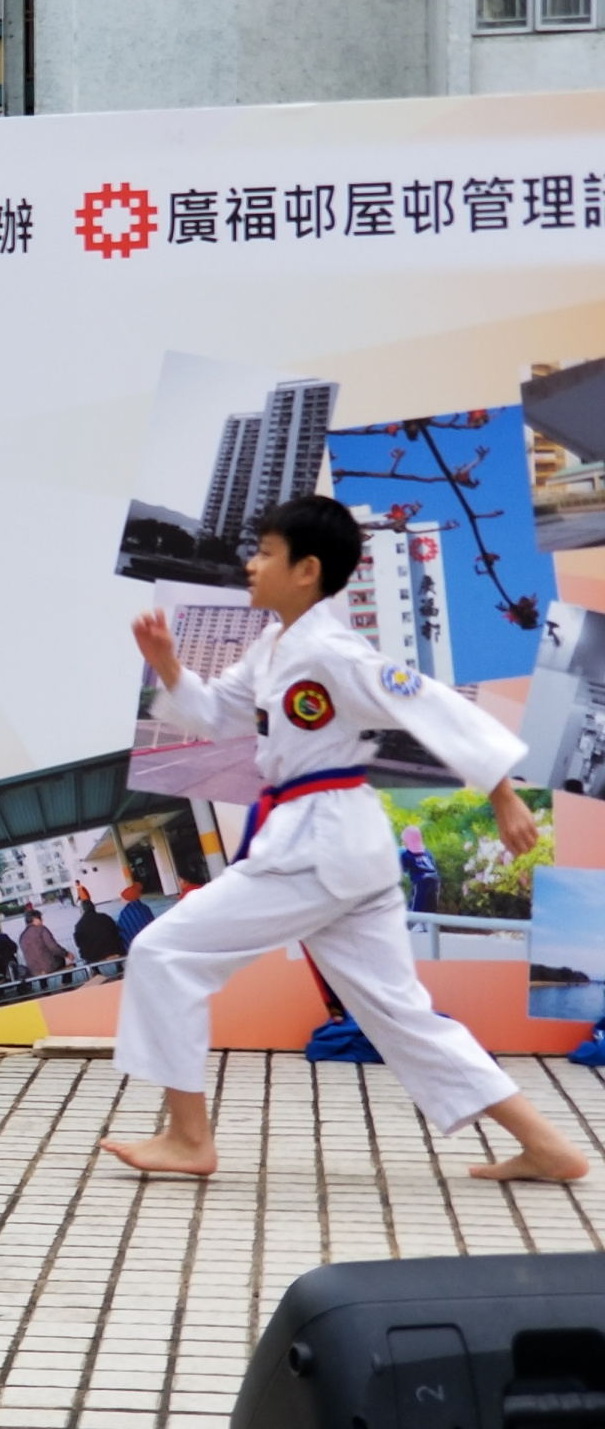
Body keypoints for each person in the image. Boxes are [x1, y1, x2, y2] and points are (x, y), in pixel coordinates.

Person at [104, 495, 587, 1183]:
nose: (251, 564)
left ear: (306, 570)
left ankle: (188, 1137)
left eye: (265, 553)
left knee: (163, 952)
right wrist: (170, 667)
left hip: (315, 846)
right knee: (398, 1012)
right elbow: (215, 714)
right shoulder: (275, 646)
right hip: (342, 851)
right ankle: (548, 1146)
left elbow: (423, 700)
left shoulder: (333, 651)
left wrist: (502, 793)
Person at [19, 909, 74, 978]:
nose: (42, 920)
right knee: (64, 959)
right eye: (40, 918)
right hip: (48, 966)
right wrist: (66, 954)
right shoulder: (41, 929)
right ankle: (66, 982)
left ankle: (43, 984)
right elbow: (53, 947)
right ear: (34, 920)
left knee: (41, 961)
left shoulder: (22, 936)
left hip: (33, 970)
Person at [400, 824, 442, 913]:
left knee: (416, 908)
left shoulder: (407, 855)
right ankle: (429, 921)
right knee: (431, 908)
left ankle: (414, 921)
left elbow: (400, 871)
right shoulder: (427, 852)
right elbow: (433, 865)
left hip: (421, 881)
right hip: (435, 879)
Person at [73, 899, 127, 963]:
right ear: (94, 908)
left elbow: (78, 943)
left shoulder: (79, 925)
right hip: (113, 951)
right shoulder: (105, 917)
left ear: (81, 910)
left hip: (93, 957)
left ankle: (95, 969)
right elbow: (116, 931)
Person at [115, 882, 155, 947]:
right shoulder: (145, 908)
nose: (121, 901)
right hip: (150, 940)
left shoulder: (125, 913)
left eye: (122, 899)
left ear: (127, 899)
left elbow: (121, 930)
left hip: (134, 945)